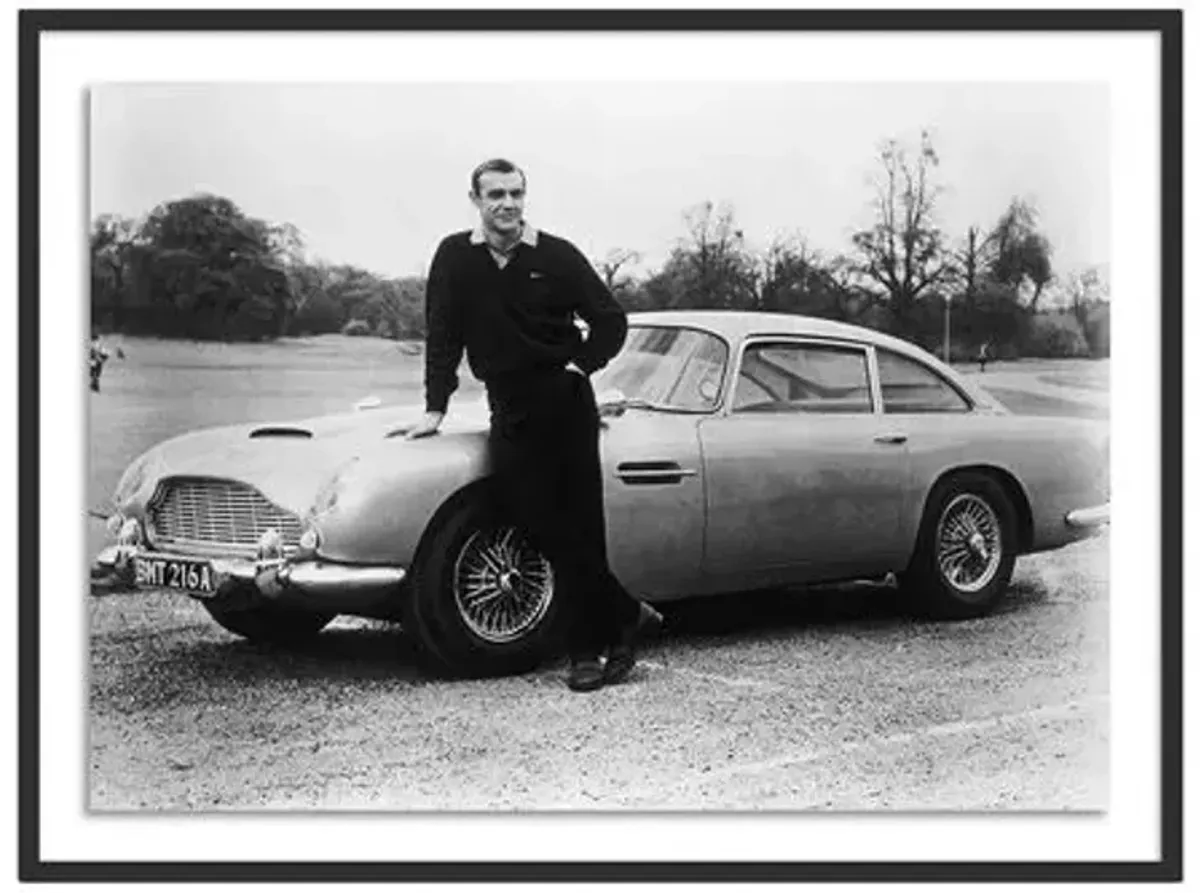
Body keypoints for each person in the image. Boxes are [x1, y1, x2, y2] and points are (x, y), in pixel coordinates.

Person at [407, 158, 662, 692]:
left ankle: (586, 651)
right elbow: (443, 334)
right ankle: (625, 611)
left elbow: (611, 321)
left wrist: (581, 364)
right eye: (495, 194)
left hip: (566, 401)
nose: (507, 204)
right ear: (475, 199)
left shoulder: (557, 254)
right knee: (531, 516)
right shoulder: (456, 257)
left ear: (526, 197)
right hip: (510, 405)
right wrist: (436, 408)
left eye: (516, 193)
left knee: (581, 525)